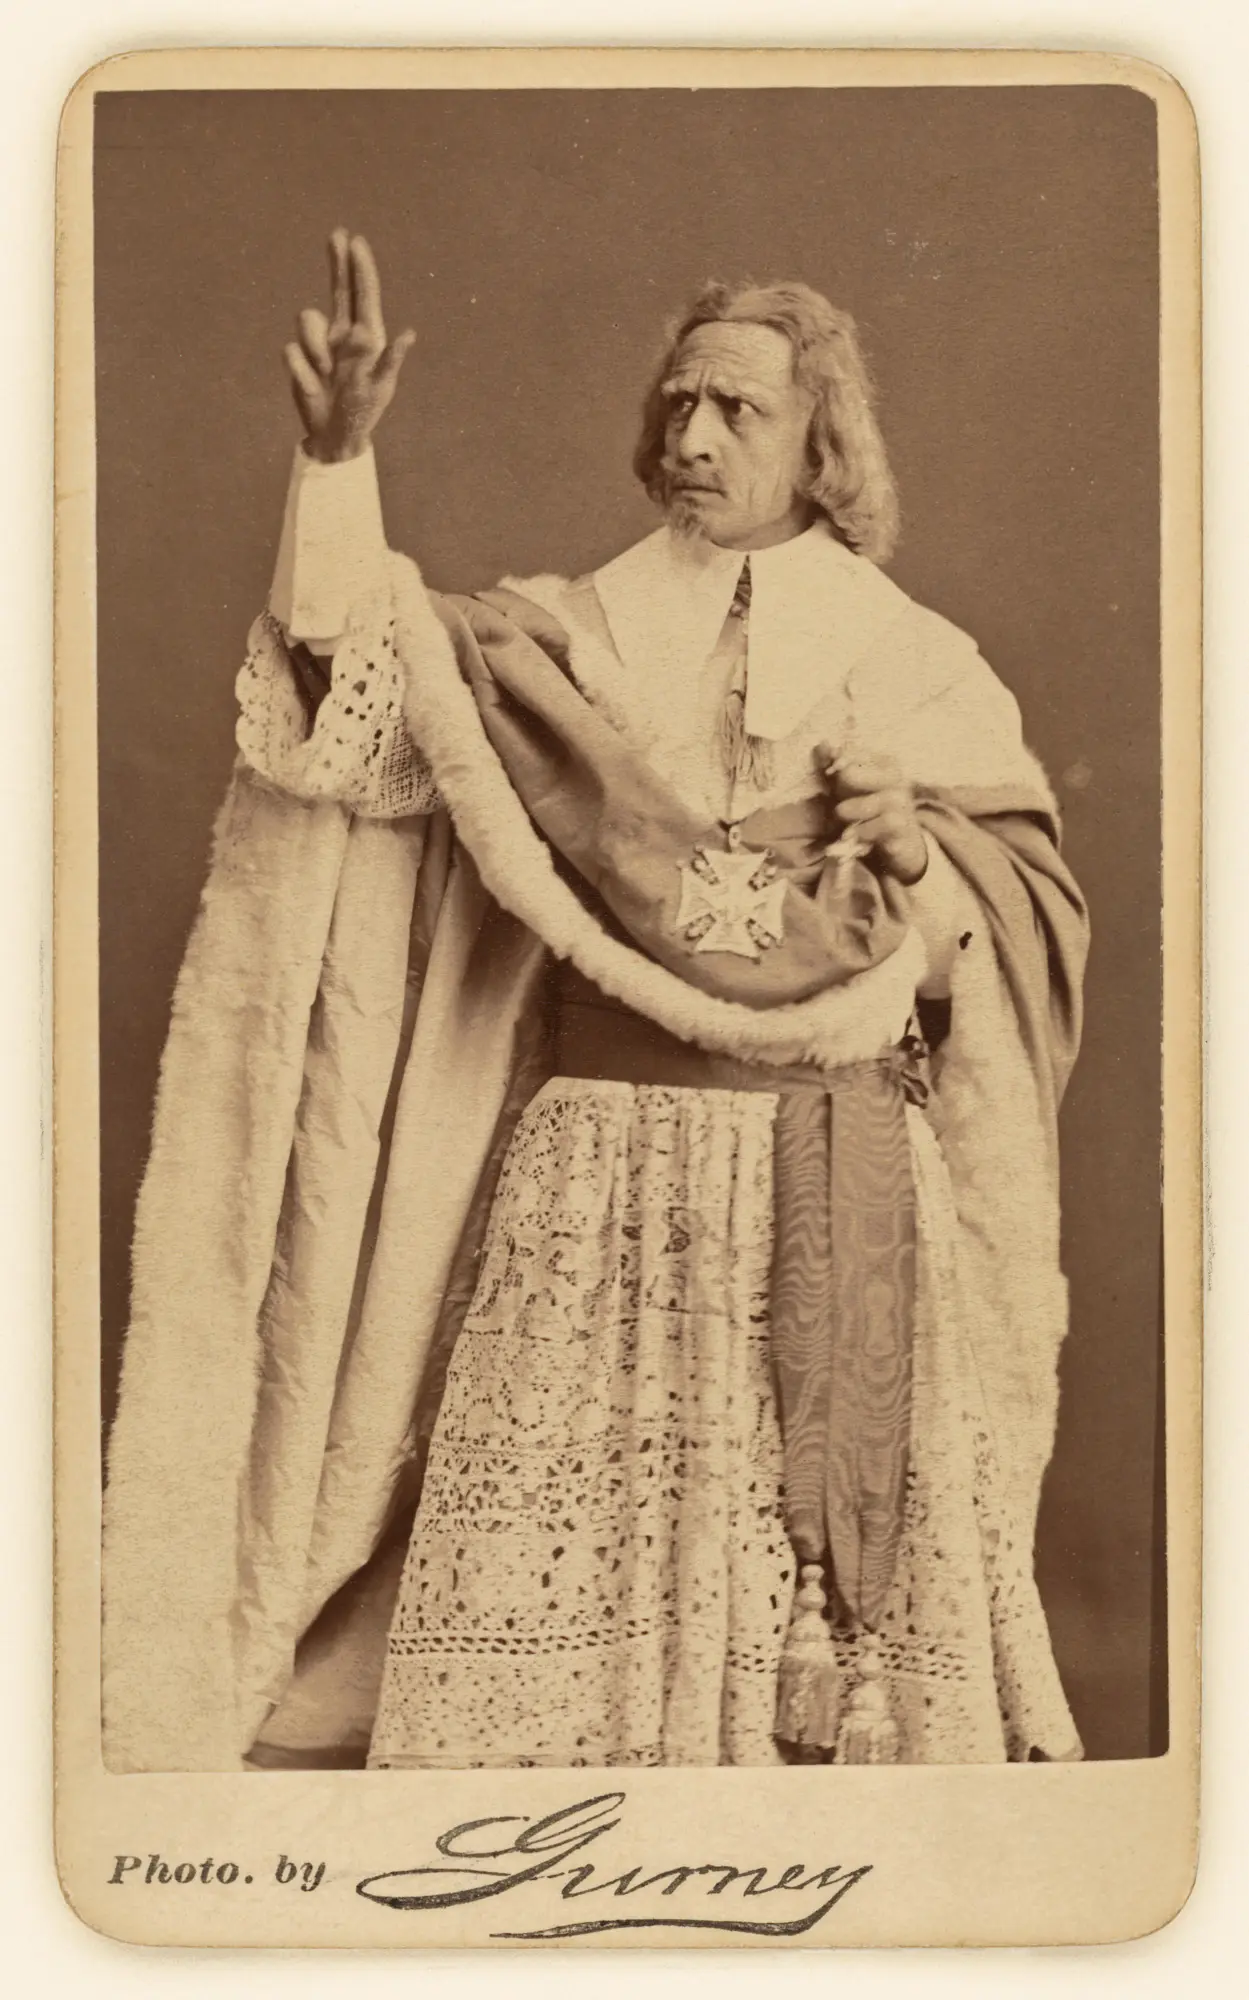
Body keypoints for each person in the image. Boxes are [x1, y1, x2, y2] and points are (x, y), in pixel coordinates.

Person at [102, 231, 1089, 1773]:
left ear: (822, 444)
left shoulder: (920, 665)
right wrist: (337, 466)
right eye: (679, 401)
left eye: (739, 409)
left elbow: (1010, 943)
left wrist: (917, 857)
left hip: (834, 1175)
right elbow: (348, 699)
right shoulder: (564, 639)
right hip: (600, 1178)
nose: (693, 434)